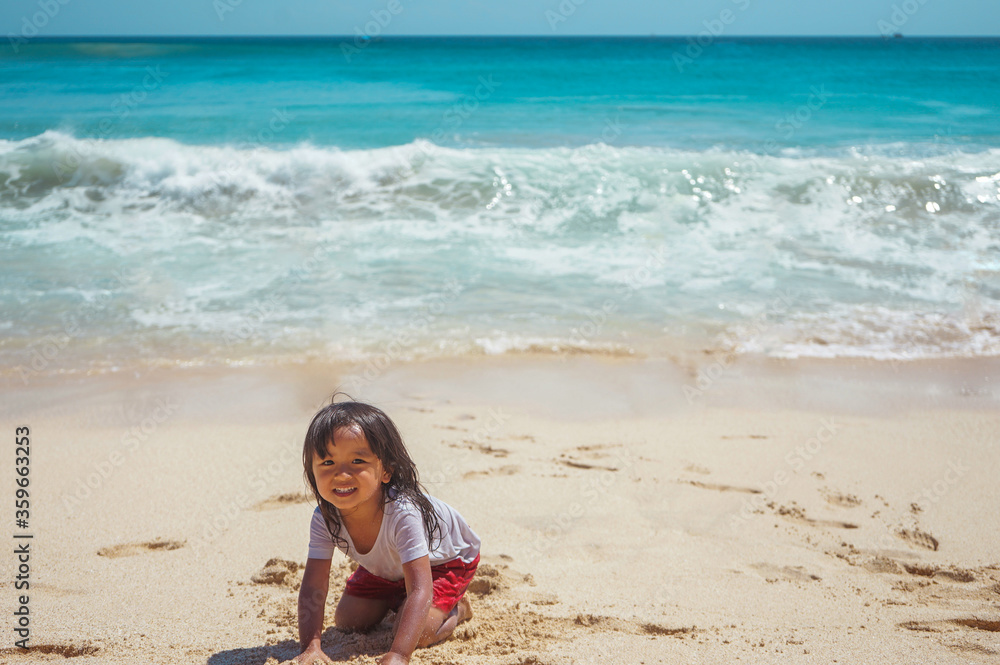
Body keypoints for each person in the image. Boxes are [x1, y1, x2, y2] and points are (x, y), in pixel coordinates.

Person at [292, 399, 481, 665]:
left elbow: (421, 588)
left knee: (420, 632)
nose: (341, 474)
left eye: (357, 461)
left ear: (386, 471)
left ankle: (457, 610)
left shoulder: (403, 514)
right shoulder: (325, 518)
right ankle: (399, 597)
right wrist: (310, 646)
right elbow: (314, 585)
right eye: (327, 462)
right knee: (348, 619)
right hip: (390, 564)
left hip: (445, 561)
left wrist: (399, 654)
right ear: (311, 471)